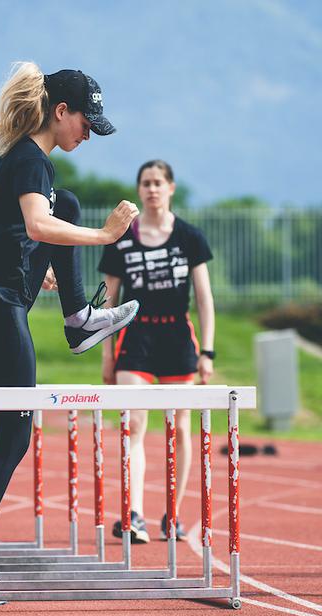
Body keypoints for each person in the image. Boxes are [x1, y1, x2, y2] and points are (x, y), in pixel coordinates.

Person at [0, 62, 140, 599]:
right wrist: (105, 234)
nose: (88, 133)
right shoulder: (29, 161)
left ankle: (77, 318)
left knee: (64, 202)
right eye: (85, 122)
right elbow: (35, 225)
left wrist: (34, 265)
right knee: (14, 439)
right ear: (59, 111)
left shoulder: (15, 162)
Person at [99, 160, 215, 544]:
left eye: (158, 183)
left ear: (171, 188)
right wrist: (106, 355)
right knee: (132, 422)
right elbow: (108, 300)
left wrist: (208, 351)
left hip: (177, 337)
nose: (151, 189)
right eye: (145, 183)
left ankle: (174, 513)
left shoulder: (189, 237)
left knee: (179, 427)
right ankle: (134, 513)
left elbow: (204, 299)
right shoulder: (122, 238)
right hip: (135, 337)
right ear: (139, 190)